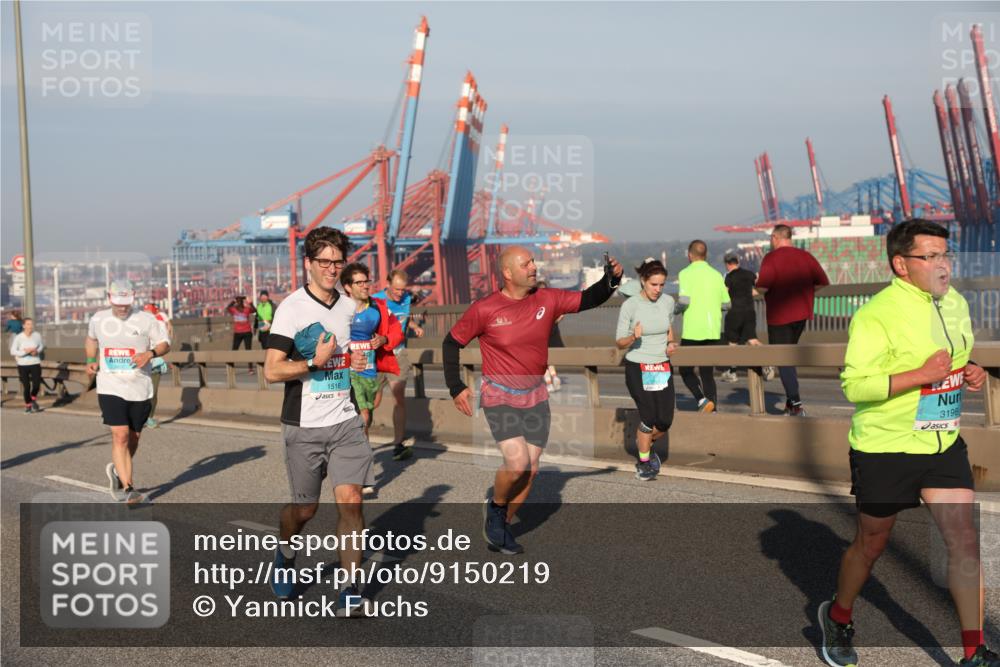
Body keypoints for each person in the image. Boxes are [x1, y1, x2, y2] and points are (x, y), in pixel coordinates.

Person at [819, 219, 994, 667]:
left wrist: (969, 368)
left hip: (941, 441)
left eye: (945, 255)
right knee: (872, 543)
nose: (943, 265)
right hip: (885, 445)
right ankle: (838, 617)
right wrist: (922, 376)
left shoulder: (953, 302)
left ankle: (974, 651)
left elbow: (950, 357)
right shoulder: (876, 313)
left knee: (963, 542)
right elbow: (854, 386)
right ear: (901, 263)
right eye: (930, 256)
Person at [443, 245, 623, 554]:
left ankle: (502, 526)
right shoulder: (485, 309)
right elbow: (451, 343)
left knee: (532, 469)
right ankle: (496, 507)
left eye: (533, 262)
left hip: (536, 394)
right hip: (500, 394)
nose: (533, 267)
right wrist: (456, 386)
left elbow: (588, 299)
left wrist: (611, 280)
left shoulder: (548, 299)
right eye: (526, 264)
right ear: (508, 273)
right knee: (517, 464)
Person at [263, 227, 373, 616]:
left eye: (337, 262)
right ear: (308, 264)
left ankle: (348, 588)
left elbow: (346, 357)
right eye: (323, 262)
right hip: (304, 425)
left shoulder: (348, 307)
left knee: (352, 501)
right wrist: (313, 362)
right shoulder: (291, 309)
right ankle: (287, 550)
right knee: (304, 511)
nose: (331, 269)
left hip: (344, 421)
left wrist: (351, 362)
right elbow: (271, 372)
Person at [85, 281, 171, 505]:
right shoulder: (99, 319)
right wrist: (91, 360)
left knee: (134, 437)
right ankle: (128, 488)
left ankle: (117, 470)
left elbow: (165, 344)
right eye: (118, 303)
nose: (122, 308)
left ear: (133, 298)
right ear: (109, 298)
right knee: (120, 435)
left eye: (126, 303)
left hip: (140, 386)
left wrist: (150, 354)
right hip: (110, 384)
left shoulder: (146, 319)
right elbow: (91, 339)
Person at [340, 262, 404, 494]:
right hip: (347, 373)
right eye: (359, 282)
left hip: (370, 371)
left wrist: (385, 340)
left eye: (367, 281)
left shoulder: (379, 307)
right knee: (363, 418)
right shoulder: (338, 308)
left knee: (365, 421)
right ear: (348, 287)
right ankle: (364, 475)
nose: (365, 286)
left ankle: (356, 464)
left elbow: (396, 330)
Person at [755, 223, 829, 416]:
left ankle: (796, 403)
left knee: (784, 359)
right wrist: (805, 292)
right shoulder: (805, 256)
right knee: (789, 358)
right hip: (802, 314)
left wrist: (749, 293)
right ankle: (790, 402)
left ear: (775, 238)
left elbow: (762, 287)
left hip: (779, 316)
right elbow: (822, 282)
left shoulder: (771, 258)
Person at [615, 259, 677, 481]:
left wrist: (670, 344)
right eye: (654, 285)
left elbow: (668, 327)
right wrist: (634, 336)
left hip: (661, 365)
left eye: (662, 285)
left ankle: (646, 443)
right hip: (638, 365)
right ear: (643, 281)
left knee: (665, 420)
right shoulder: (630, 305)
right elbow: (619, 342)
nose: (658, 290)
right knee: (648, 415)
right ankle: (643, 463)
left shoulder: (668, 302)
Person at [372, 269, 425, 460]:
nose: (400, 293)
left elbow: (403, 318)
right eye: (396, 289)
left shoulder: (406, 300)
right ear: (387, 284)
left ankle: (398, 444)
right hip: (378, 356)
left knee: (398, 397)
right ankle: (357, 440)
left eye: (403, 290)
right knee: (372, 403)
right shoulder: (375, 300)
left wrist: (414, 326)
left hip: (398, 354)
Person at [676, 240, 730, 413]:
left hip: (693, 330)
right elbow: (727, 304)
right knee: (707, 373)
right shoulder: (716, 274)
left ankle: (701, 399)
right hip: (713, 329)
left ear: (690, 255)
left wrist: (675, 310)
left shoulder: (685, 273)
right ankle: (712, 409)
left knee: (685, 369)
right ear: (705, 255)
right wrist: (711, 305)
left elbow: (684, 301)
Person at [720, 255, 771, 383]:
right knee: (752, 340)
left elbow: (724, 295)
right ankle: (768, 362)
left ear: (727, 264)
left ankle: (732, 372)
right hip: (749, 312)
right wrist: (748, 293)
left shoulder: (729, 277)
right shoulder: (749, 274)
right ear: (738, 262)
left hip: (735, 312)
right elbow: (759, 290)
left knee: (733, 343)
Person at [142, 304, 173, 429]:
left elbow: (166, 344)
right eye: (145, 312)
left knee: (153, 392)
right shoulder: (138, 325)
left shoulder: (160, 325)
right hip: (140, 363)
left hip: (154, 362)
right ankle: (134, 416)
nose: (147, 314)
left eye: (149, 311)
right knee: (138, 391)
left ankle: (149, 417)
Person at [10, 317, 44, 413]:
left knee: (36, 385)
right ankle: (28, 406)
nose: (30, 326)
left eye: (31, 324)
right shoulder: (19, 337)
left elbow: (41, 345)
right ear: (24, 326)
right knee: (27, 387)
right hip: (22, 365)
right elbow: (13, 351)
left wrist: (37, 351)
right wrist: (25, 352)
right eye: (28, 324)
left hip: (35, 363)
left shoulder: (37, 335)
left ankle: (33, 399)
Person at [226, 294, 255, 373]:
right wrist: (233, 301)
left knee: (248, 350)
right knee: (234, 350)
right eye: (237, 302)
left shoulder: (246, 309)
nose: (238, 303)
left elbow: (254, 310)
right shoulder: (233, 310)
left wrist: (250, 302)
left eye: (239, 302)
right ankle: (231, 367)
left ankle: (250, 368)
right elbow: (227, 308)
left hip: (247, 332)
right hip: (238, 333)